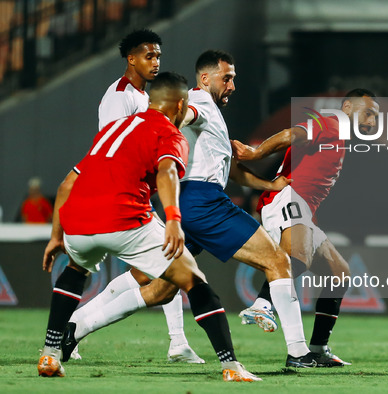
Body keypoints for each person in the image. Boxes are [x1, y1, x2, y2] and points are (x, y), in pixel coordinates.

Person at [64, 50, 328, 368]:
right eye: (226, 78)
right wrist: (149, 127)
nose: (232, 85)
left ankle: (74, 329)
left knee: (160, 290)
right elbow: (180, 117)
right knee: (277, 261)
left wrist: (268, 185)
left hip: (189, 202)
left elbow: (224, 165)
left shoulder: (209, 110)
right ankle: (299, 353)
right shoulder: (198, 103)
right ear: (205, 78)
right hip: (204, 203)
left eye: (233, 79)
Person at [37, 72, 259, 382]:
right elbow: (168, 173)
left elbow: (66, 185)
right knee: (194, 279)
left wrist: (55, 236)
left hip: (78, 220)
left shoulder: (114, 128)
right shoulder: (170, 134)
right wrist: (172, 219)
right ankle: (231, 366)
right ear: (181, 105)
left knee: (75, 270)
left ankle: (50, 353)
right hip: (126, 219)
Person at [72, 28, 203, 364]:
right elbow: (112, 149)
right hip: (118, 197)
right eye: (149, 55)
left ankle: (72, 327)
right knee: (170, 261)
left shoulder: (146, 97)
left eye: (158, 55)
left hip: (136, 194)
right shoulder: (120, 97)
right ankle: (72, 329)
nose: (156, 61)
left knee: (160, 265)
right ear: (131, 59)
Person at [231, 89, 379, 367]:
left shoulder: (340, 135)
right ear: (347, 107)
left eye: (376, 117)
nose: (371, 121)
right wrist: (255, 152)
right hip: (287, 197)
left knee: (340, 274)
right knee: (298, 258)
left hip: (303, 209)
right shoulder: (331, 122)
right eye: (368, 112)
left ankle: (318, 348)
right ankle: (263, 305)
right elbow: (291, 134)